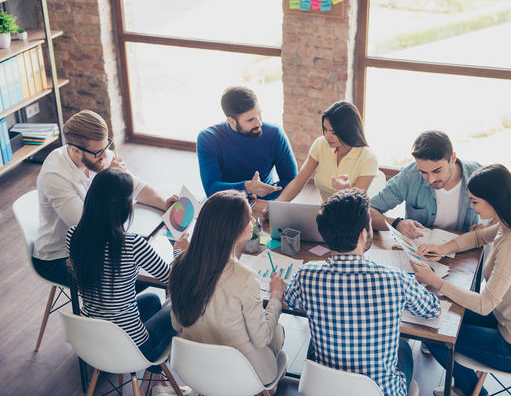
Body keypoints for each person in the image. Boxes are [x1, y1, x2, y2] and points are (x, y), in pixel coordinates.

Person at [412, 164, 511, 396]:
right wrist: (441, 249)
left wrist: (435, 280)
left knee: (435, 337)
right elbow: (479, 237)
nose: (472, 206)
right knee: (447, 312)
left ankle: (472, 391)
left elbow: (484, 304)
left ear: (493, 200)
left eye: (475, 201)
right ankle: (466, 387)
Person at [285, 188, 441, 396]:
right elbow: (432, 310)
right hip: (380, 392)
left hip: (324, 388)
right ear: (363, 234)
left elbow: (291, 301)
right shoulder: (396, 279)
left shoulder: (306, 274)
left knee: (316, 342)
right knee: (402, 347)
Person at [33, 110, 177, 288]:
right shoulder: (54, 176)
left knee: (151, 267)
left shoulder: (98, 154)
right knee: (142, 279)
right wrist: (107, 179)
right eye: (99, 152)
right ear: (76, 150)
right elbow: (87, 227)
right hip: (61, 257)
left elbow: (136, 186)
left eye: (106, 146)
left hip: (100, 246)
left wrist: (164, 203)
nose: (105, 155)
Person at [66, 168, 190, 364]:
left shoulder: (73, 235)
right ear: (123, 207)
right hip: (135, 347)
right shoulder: (130, 243)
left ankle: (156, 375)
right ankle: (157, 371)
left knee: (151, 300)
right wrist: (179, 251)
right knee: (181, 308)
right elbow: (175, 280)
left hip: (90, 340)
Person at [169, 190, 286, 385]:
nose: (254, 222)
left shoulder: (180, 265)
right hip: (242, 374)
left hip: (196, 369)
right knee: (278, 330)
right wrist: (275, 297)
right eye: (249, 218)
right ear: (234, 229)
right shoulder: (246, 277)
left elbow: (177, 325)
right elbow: (261, 338)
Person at [370, 130, 485, 239]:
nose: (431, 180)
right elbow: (367, 211)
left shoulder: (478, 175)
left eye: (437, 171)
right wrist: (397, 223)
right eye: (423, 172)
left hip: (463, 251)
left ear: (453, 158)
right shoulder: (409, 177)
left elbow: (501, 211)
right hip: (419, 251)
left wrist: (489, 227)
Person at [196, 86, 298, 200]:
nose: (259, 123)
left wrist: (265, 196)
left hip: (264, 202)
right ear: (231, 121)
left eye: (259, 114)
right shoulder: (208, 138)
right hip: (225, 203)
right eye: (250, 120)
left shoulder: (275, 134)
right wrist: (247, 188)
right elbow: (211, 188)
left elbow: (292, 180)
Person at [273, 101, 378, 203]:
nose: (327, 136)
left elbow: (356, 204)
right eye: (325, 129)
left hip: (349, 216)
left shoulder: (368, 158)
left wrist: (347, 191)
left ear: (349, 131)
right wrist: (276, 205)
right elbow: (298, 183)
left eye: (334, 132)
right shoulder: (320, 144)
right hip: (323, 214)